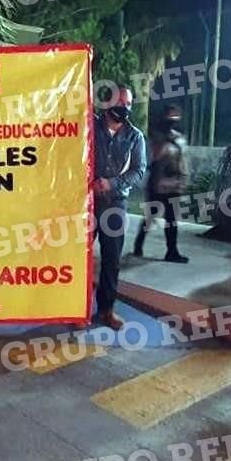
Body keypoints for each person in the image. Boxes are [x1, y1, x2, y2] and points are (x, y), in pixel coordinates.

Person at [85, 85, 147, 331]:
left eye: (129, 103)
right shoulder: (91, 127)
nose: (124, 107)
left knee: (111, 259)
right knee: (80, 257)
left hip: (116, 204)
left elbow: (138, 171)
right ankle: (78, 310)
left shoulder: (135, 136)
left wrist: (110, 183)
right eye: (120, 101)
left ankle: (106, 311)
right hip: (87, 202)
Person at [133, 104, 189, 263]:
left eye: (176, 116)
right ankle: (138, 245)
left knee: (171, 220)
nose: (173, 119)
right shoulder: (156, 137)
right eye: (170, 116)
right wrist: (167, 141)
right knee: (150, 218)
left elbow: (182, 160)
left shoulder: (179, 137)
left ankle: (172, 251)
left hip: (174, 185)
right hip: (158, 185)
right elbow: (155, 157)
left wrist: (183, 179)